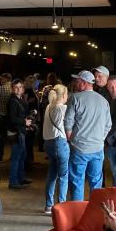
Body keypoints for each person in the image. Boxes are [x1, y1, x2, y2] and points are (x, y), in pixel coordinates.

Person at [63, 70, 111, 201]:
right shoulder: (103, 101)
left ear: (84, 83)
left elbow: (68, 122)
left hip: (79, 148)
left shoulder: (75, 98)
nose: (75, 83)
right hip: (98, 148)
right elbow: (108, 125)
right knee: (96, 183)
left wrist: (71, 138)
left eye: (77, 81)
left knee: (77, 181)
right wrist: (100, 139)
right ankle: (94, 215)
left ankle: (78, 214)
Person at [42, 84, 70, 214]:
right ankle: (61, 206)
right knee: (63, 176)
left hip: (48, 144)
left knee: (52, 174)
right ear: (64, 95)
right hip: (60, 143)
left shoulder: (48, 107)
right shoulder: (64, 108)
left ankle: (49, 205)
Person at [6, 79, 33, 190]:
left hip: (21, 131)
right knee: (16, 158)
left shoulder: (20, 99)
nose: (18, 89)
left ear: (23, 88)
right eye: (16, 87)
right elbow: (12, 118)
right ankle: (13, 181)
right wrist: (24, 122)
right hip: (16, 132)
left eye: (20, 87)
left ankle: (20, 178)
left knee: (22, 156)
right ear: (12, 88)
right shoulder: (12, 101)